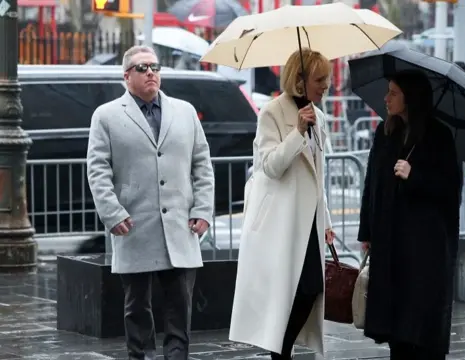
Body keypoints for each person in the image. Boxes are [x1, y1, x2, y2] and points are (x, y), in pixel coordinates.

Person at [86, 45, 215, 360]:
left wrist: (202, 210)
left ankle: (176, 356)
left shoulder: (184, 111)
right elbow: (97, 169)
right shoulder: (106, 116)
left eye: (155, 67)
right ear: (127, 75)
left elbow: (202, 164)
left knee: (179, 305)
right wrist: (113, 213)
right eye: (143, 68)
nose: (151, 73)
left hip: (180, 225)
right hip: (135, 224)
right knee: (137, 306)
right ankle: (139, 355)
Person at [228, 48, 336, 360]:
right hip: (281, 222)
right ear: (300, 80)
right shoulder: (272, 113)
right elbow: (270, 166)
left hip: (309, 221)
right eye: (320, 79)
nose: (326, 85)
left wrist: (326, 220)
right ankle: (280, 353)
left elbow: (318, 174)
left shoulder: (320, 116)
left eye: (327, 79)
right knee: (288, 293)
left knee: (310, 290)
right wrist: (298, 132)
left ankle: (282, 352)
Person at [357, 70, 461, 359]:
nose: (386, 98)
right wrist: (366, 231)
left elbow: (450, 190)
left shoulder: (438, 136)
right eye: (387, 91)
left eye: (393, 93)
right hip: (391, 245)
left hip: (424, 250)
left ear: (410, 97)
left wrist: (415, 176)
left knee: (421, 327)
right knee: (396, 328)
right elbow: (372, 184)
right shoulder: (385, 132)